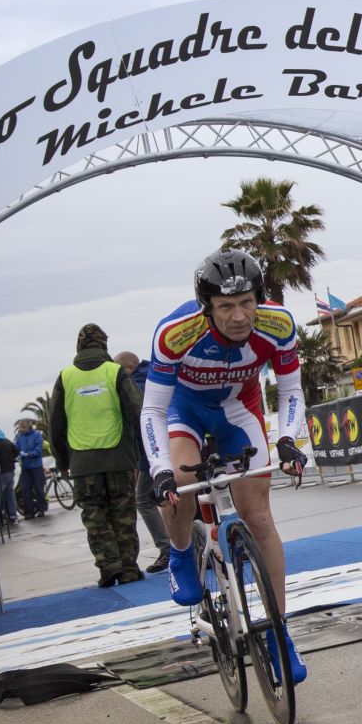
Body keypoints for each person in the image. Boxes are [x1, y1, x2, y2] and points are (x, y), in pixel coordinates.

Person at [140, 249, 312, 682]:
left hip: (238, 407)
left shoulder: (279, 325)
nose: (239, 316)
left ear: (259, 297)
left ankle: (278, 632)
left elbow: (291, 390)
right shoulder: (176, 335)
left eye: (247, 302)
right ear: (207, 307)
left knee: (259, 517)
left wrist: (289, 440)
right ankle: (180, 553)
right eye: (225, 306)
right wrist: (159, 468)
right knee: (181, 480)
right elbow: (152, 412)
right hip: (185, 409)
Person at [49, 324, 146, 587]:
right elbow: (137, 410)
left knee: (94, 516)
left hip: (83, 464)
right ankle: (128, 568)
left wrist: (62, 461)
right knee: (123, 514)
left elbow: (55, 423)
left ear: (79, 347)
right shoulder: (114, 372)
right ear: (104, 345)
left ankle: (108, 566)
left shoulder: (65, 377)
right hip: (119, 459)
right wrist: (142, 451)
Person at [115, 352, 171, 573]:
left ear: (128, 368)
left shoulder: (135, 384)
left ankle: (167, 549)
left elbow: (140, 425)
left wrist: (139, 462)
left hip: (153, 452)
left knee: (144, 501)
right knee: (184, 493)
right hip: (175, 443)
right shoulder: (154, 374)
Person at [14, 415, 48, 518]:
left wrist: (28, 454)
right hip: (25, 467)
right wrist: (17, 454)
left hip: (36, 466)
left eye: (23, 428)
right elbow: (16, 448)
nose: (21, 430)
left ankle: (41, 509)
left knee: (39, 489)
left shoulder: (37, 435)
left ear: (28, 427)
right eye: (20, 428)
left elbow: (38, 451)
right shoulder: (20, 437)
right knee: (25, 490)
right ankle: (28, 512)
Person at [0, 425, 19, 528]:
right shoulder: (7, 441)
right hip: (10, 471)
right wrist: (11, 460)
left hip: (0, 473)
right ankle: (13, 516)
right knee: (10, 495)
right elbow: (16, 451)